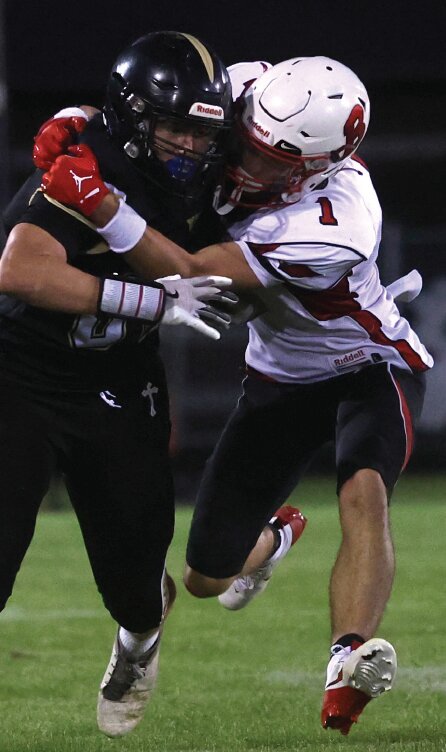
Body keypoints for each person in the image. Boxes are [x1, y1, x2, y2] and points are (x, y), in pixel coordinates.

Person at [39, 55, 432, 735]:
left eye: (272, 160)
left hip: (368, 364)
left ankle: (347, 658)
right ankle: (276, 538)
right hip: (279, 376)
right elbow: (161, 110)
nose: (246, 162)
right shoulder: (250, 89)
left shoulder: (338, 221)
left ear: (319, 164)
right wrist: (83, 121)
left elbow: (188, 271)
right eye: (247, 140)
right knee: (203, 578)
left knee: (363, 487)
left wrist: (99, 202)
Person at [0, 30, 240, 739]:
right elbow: (19, 270)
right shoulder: (89, 157)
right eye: (174, 128)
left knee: (136, 584)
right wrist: (153, 302)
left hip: (118, 382)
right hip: (21, 368)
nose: (192, 147)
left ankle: (138, 644)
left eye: (203, 132)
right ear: (134, 121)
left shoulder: (226, 166)